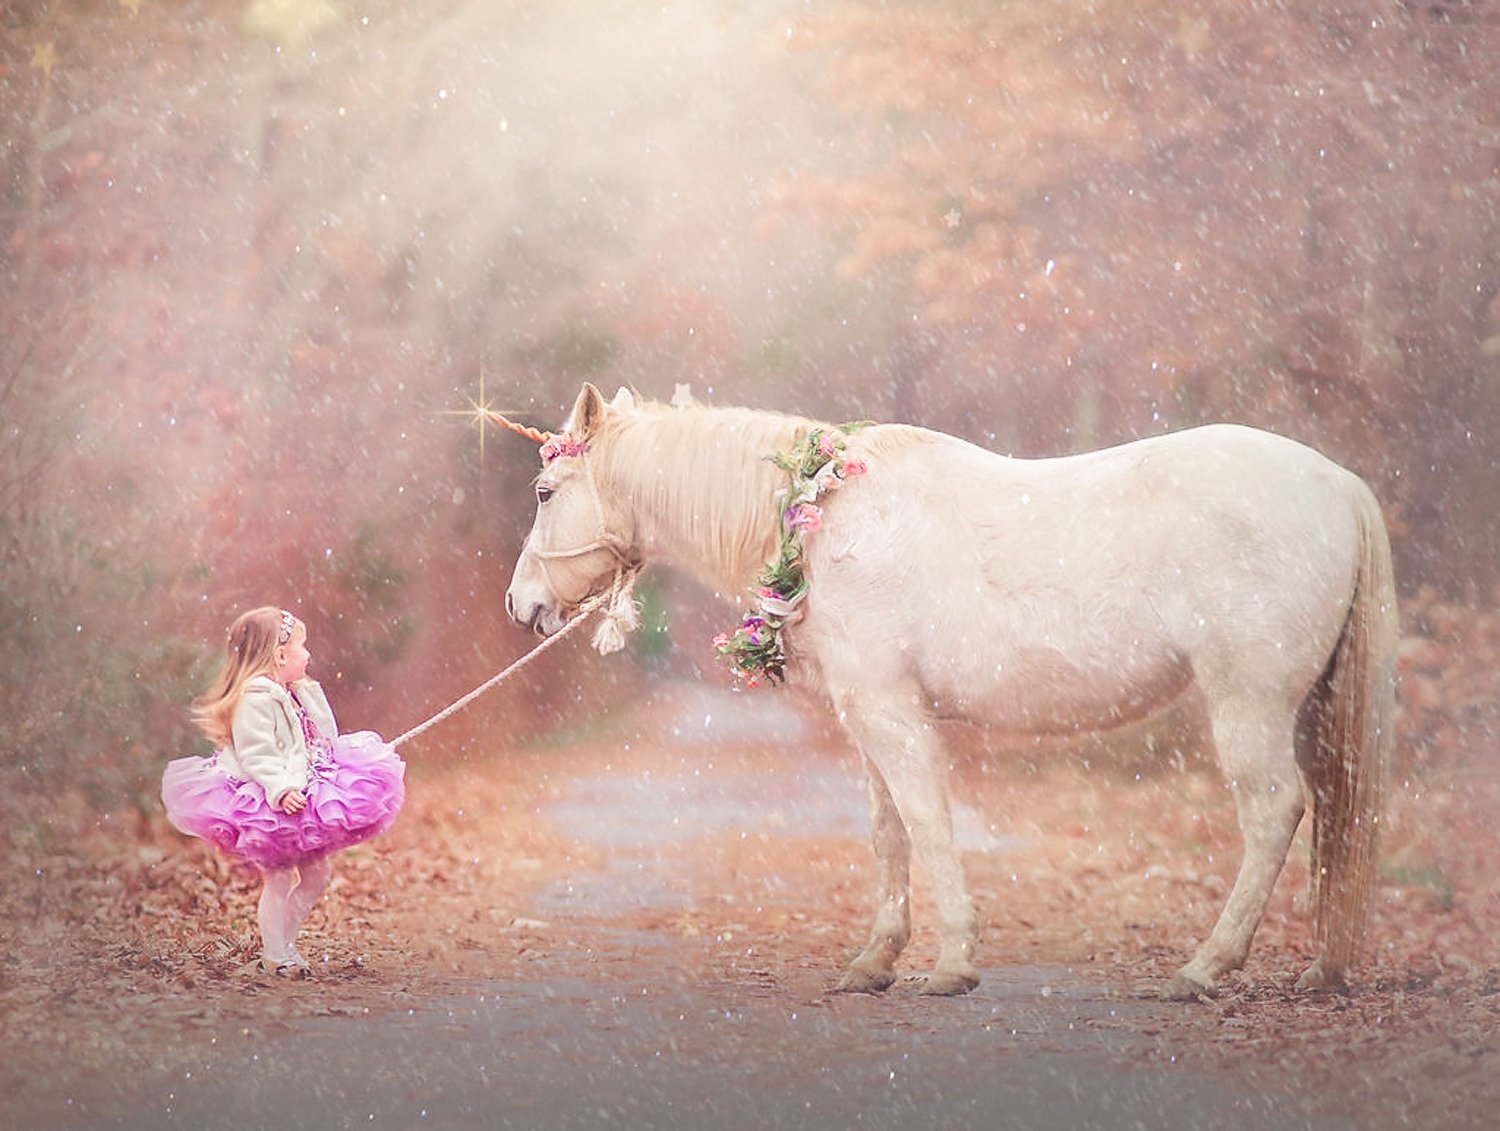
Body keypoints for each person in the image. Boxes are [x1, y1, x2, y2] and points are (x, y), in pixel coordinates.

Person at [161, 606, 405, 976]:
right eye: (302, 647)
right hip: (270, 799)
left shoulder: (287, 692)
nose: (309, 655)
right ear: (279, 655)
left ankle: (285, 947)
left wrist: (307, 697)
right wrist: (279, 788)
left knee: (317, 875)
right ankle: (276, 955)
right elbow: (257, 753)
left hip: (298, 788)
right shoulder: (257, 697)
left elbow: (321, 734)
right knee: (277, 879)